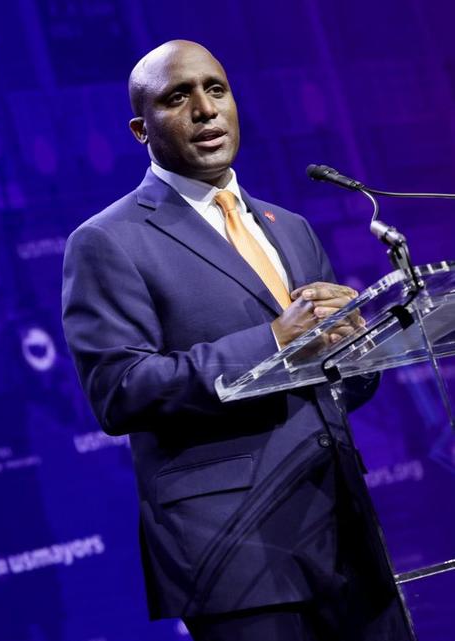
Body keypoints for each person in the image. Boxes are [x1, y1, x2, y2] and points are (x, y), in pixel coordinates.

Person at [60, 40, 413, 641]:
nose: (204, 109)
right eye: (178, 97)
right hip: (234, 552)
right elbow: (119, 391)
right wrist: (273, 341)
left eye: (216, 90)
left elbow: (339, 389)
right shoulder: (108, 241)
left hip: (345, 536)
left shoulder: (291, 228)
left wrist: (355, 348)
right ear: (141, 130)